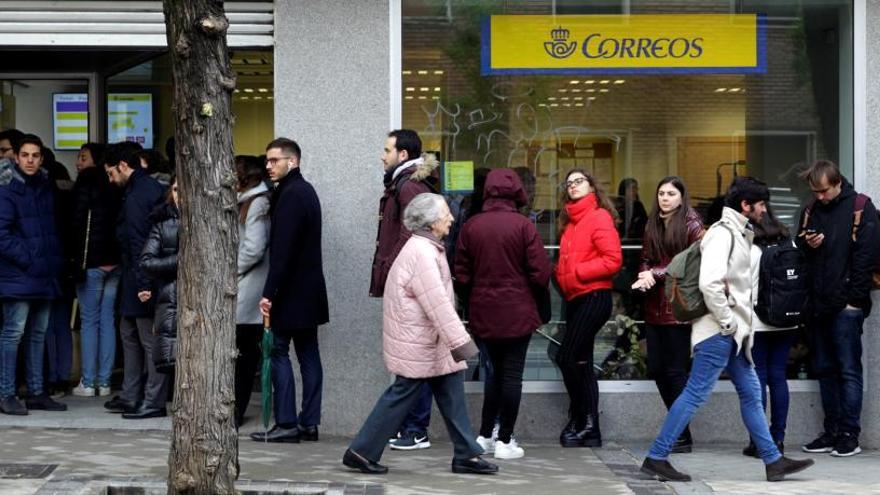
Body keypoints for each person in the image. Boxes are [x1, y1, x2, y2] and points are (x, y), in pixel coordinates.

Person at [640, 177, 814, 483]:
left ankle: (773, 461)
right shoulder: (722, 234)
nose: (764, 210)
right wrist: (728, 321)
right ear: (745, 206)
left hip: (732, 334)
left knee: (750, 393)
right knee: (695, 393)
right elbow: (709, 282)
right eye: (760, 204)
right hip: (720, 332)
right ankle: (657, 456)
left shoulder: (737, 232)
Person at [343, 193, 497, 475]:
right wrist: (463, 344)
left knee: (451, 391)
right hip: (420, 341)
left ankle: (466, 454)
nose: (451, 218)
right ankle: (361, 451)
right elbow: (437, 304)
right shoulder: (423, 253)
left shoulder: (424, 248)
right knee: (403, 393)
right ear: (431, 221)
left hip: (427, 340)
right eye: (445, 214)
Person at [454, 169, 552, 460]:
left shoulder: (472, 226)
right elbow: (540, 273)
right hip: (518, 312)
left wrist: (474, 298)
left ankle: (485, 435)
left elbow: (461, 274)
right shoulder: (524, 226)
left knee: (492, 376)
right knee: (512, 377)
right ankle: (505, 439)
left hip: (483, 312)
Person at [798, 160, 880, 457]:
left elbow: (867, 257)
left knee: (847, 370)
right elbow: (800, 252)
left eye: (823, 191)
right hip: (818, 304)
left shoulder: (861, 206)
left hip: (846, 306)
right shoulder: (812, 209)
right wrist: (809, 244)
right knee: (824, 369)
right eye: (815, 192)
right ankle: (831, 431)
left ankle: (849, 434)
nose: (819, 196)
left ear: (837, 184)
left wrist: (854, 299)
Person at [250, 138, 328, 443]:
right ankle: (308, 423)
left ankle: (286, 422)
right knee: (308, 354)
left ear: (291, 161)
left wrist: (269, 293)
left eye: (274, 160)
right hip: (307, 291)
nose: (268, 166)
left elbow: (283, 251)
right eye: (267, 161)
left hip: (290, 292)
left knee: (278, 352)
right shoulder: (303, 191)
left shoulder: (291, 194)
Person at [369, 129, 439, 451]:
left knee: (414, 359)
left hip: (410, 285)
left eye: (387, 150)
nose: (382, 156)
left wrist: (395, 270)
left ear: (404, 155)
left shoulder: (408, 186)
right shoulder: (402, 184)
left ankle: (416, 429)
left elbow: (415, 235)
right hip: (410, 282)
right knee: (411, 357)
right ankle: (410, 426)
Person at [631, 176, 703, 454]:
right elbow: (646, 257)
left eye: (671, 193)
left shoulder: (691, 222)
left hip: (678, 304)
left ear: (682, 197)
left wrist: (656, 274)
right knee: (658, 369)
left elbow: (692, 260)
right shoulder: (652, 222)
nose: (665, 198)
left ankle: (681, 434)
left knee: (675, 371)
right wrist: (646, 275)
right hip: (654, 304)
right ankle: (679, 431)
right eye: (661, 193)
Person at [554, 169, 622, 448]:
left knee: (567, 357)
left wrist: (578, 272)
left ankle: (583, 418)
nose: (573, 186)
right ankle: (587, 426)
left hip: (594, 297)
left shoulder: (599, 217)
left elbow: (613, 260)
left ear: (592, 186)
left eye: (579, 181)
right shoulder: (570, 223)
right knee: (580, 362)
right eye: (569, 183)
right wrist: (562, 275)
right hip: (575, 299)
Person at [0, 134, 67, 415]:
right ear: (16, 157)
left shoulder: (44, 186)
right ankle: (6, 394)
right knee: (13, 335)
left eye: (35, 155)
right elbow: (2, 235)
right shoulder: (6, 189)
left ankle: (37, 392)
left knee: (38, 334)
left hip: (44, 274)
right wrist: (29, 260)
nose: (29, 160)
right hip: (20, 275)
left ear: (41, 158)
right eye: (25, 155)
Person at [102, 142, 169, 419]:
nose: (110, 179)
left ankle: (152, 401)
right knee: (131, 334)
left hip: (142, 277)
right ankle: (132, 395)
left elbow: (141, 242)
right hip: (137, 276)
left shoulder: (138, 195)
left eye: (110, 173)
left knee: (147, 340)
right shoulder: (142, 190)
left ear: (123, 166)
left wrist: (143, 284)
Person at [742, 206, 797, 457]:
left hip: (759, 322)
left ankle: (759, 442)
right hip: (788, 321)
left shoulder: (750, 251)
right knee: (779, 377)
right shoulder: (791, 246)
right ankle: (779, 438)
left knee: (759, 379)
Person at [71, 143, 121, 397]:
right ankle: (105, 381)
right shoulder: (114, 183)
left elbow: (77, 221)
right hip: (115, 262)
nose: (78, 162)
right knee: (107, 320)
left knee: (89, 321)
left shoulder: (85, 182)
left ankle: (89, 383)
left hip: (91, 262)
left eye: (83, 157)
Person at [233, 155, 271, 427]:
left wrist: (230, 271)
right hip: (248, 285)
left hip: (249, 287)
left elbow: (253, 249)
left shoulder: (256, 203)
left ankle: (236, 411)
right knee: (243, 354)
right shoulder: (251, 201)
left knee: (244, 356)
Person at [139, 176, 179, 376]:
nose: (180, 196)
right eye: (176, 189)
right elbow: (146, 262)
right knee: (169, 360)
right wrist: (180, 261)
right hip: (170, 298)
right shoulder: (162, 225)